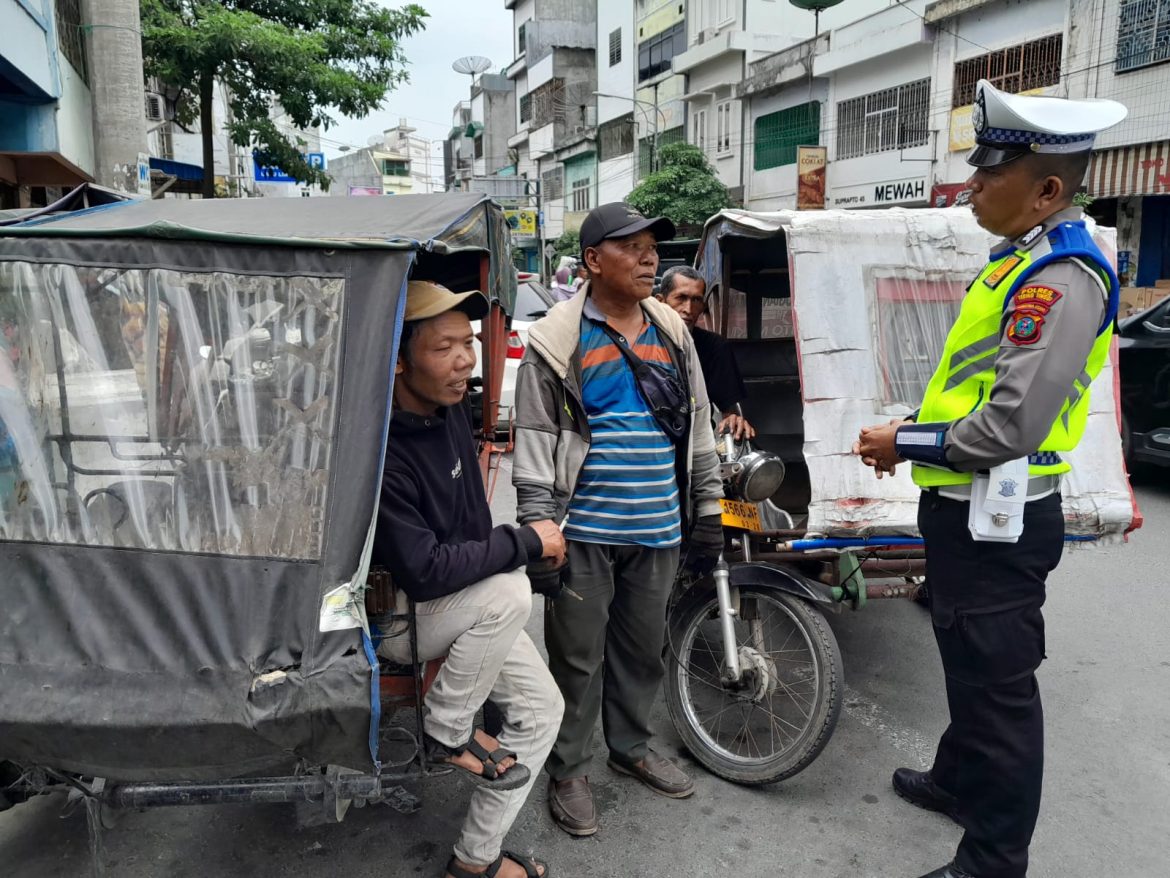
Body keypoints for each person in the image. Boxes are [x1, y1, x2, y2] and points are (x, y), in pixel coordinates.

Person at [854, 80, 1126, 878]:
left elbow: (1010, 426)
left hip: (997, 521)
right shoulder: (1017, 261)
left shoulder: (1060, 278)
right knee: (966, 662)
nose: (970, 184)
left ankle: (994, 860)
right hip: (967, 510)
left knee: (1000, 692)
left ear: (1045, 190)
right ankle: (959, 779)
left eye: (989, 174)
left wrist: (902, 440)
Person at [512, 202, 725, 837]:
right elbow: (532, 446)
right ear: (593, 262)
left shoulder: (672, 332)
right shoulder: (555, 341)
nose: (648, 256)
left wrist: (708, 510)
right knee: (577, 657)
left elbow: (701, 425)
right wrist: (538, 534)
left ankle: (630, 747)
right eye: (630, 247)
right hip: (584, 533)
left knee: (641, 651)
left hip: (657, 525)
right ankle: (570, 767)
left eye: (651, 246)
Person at [373, 279, 566, 878]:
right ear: (399, 361)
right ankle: (447, 729)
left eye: (470, 342)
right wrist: (524, 545)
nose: (465, 361)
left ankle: (474, 862)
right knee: (509, 588)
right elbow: (426, 572)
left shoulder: (451, 409)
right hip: (397, 618)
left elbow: (472, 526)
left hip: (460, 604)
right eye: (444, 347)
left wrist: (518, 555)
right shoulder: (379, 449)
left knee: (542, 709)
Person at [656, 265, 756, 440]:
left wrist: (734, 420)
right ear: (660, 301)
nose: (688, 308)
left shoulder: (715, 346)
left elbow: (729, 410)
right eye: (681, 298)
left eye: (696, 300)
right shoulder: (643, 341)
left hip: (698, 440)